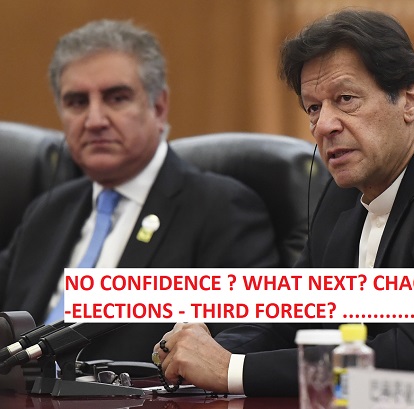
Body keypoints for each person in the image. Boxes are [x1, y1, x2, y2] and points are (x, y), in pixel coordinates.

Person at [152, 9, 414, 405]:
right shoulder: (344, 191)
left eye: (345, 99)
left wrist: (231, 369)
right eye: (313, 108)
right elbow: (290, 318)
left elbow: (412, 356)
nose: (323, 126)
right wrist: (200, 352)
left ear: (409, 100)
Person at [0, 19, 279, 362]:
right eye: (77, 102)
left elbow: (248, 335)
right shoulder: (47, 211)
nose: (94, 120)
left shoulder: (221, 208)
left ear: (158, 107)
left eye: (116, 98)